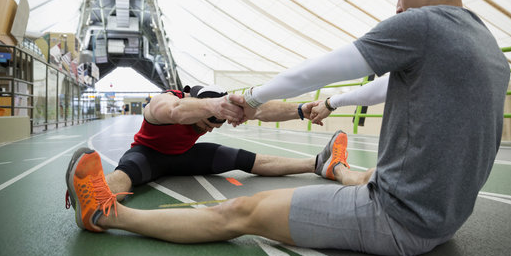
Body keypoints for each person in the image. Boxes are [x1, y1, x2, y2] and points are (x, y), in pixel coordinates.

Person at [65, 0, 510, 256]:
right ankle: (334, 168)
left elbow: (320, 69)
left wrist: (250, 97)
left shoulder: (423, 26)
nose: (397, 6)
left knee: (240, 212)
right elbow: (385, 87)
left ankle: (106, 215)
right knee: (365, 173)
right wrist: (331, 105)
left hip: (396, 219)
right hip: (445, 220)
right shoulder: (488, 47)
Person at [65, 84, 368, 225]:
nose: (210, 129)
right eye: (207, 124)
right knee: (125, 175)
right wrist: (213, 107)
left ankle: (319, 164)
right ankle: (93, 200)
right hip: (149, 154)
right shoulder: (169, 101)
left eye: (214, 124)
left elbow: (262, 111)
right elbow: (171, 110)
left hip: (187, 155)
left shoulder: (212, 116)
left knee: (248, 159)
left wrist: (302, 110)